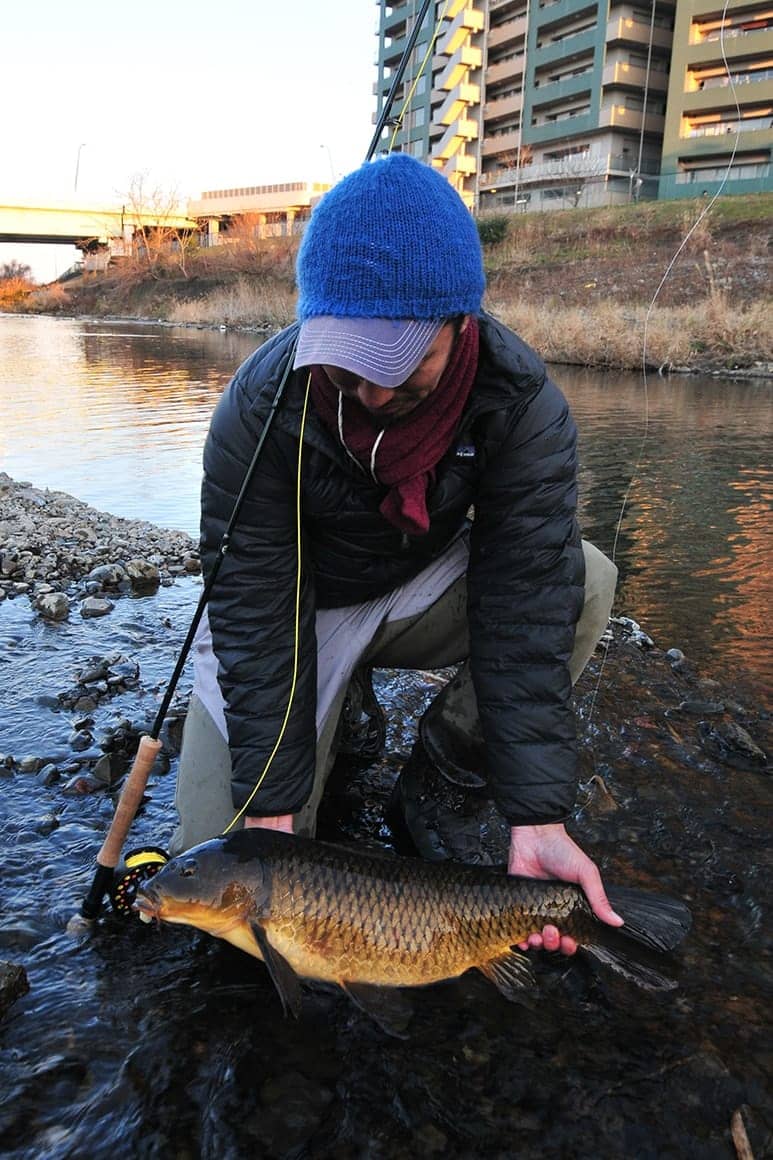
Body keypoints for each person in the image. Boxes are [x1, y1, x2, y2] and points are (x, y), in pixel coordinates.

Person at [171, 153, 623, 956]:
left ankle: (441, 775)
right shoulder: (261, 404)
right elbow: (255, 600)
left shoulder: (519, 402)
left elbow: (521, 600)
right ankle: (339, 706)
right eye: (350, 360)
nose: (374, 392)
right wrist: (270, 805)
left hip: (417, 586)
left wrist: (536, 816)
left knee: (582, 577)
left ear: (461, 324)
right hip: (301, 608)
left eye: (401, 361)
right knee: (222, 880)